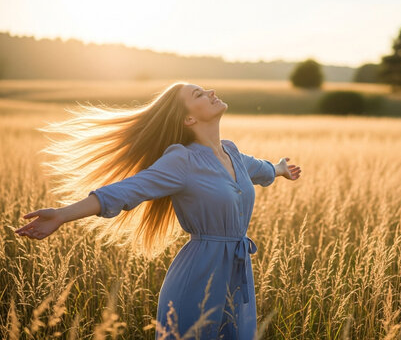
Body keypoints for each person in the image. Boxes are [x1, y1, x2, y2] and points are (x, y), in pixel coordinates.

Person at [14, 82, 301, 339]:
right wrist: (62, 214)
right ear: (189, 118)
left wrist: (280, 169)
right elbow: (126, 191)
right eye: (199, 94)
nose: (211, 92)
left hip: (237, 274)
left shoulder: (232, 153)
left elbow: (262, 169)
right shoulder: (182, 161)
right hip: (197, 277)